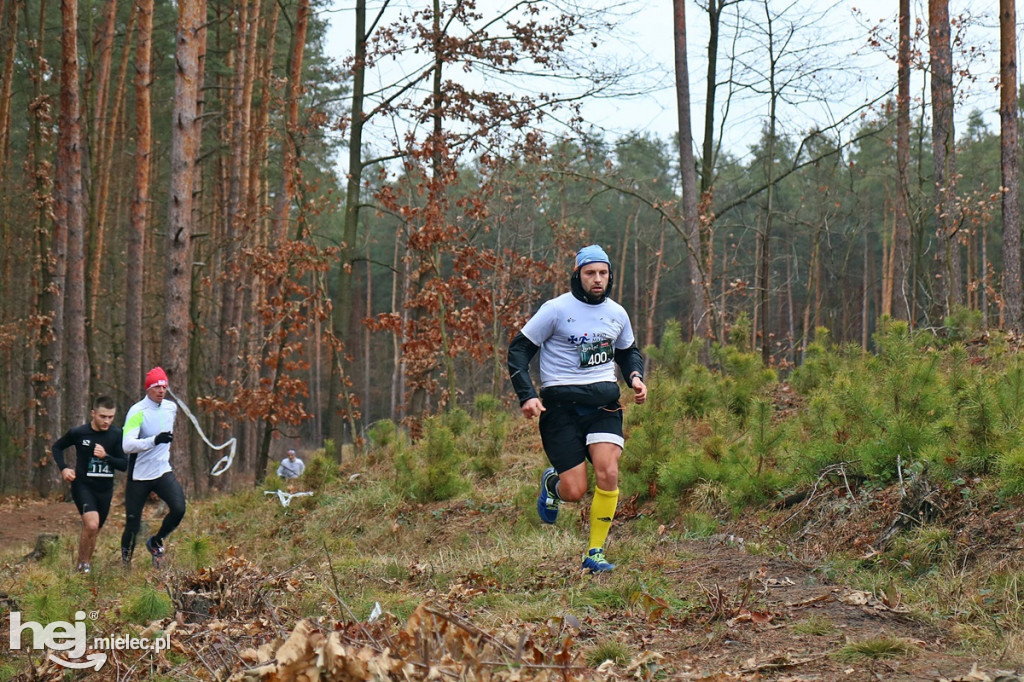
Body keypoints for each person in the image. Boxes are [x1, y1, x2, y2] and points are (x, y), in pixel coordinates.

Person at [507, 244, 647, 573]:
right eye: (590, 273)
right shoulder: (555, 310)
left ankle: (594, 552)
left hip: (603, 406)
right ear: (577, 274)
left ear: (609, 276)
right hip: (561, 409)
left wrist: (635, 377)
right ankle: (552, 484)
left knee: (609, 473)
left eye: (603, 273)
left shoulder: (617, 313)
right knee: (575, 491)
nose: (597, 279)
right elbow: (518, 351)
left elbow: (628, 352)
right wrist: (527, 395)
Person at [51, 396, 128, 573]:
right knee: (91, 524)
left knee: (94, 529)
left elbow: (124, 465)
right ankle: (81, 565)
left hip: (105, 490)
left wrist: (106, 457)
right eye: (103, 416)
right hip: (83, 485)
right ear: (93, 413)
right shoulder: (79, 433)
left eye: (110, 417)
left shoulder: (117, 435)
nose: (106, 421)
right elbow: (57, 447)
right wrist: (63, 469)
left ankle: (85, 564)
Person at [120, 366, 186, 568]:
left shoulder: (171, 408)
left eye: (164, 387)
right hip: (139, 475)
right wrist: (154, 440)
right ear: (148, 388)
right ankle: (126, 564)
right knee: (133, 523)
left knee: (179, 508)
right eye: (157, 387)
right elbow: (127, 445)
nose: (161, 391)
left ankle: (156, 541)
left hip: (161, 470)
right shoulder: (137, 411)